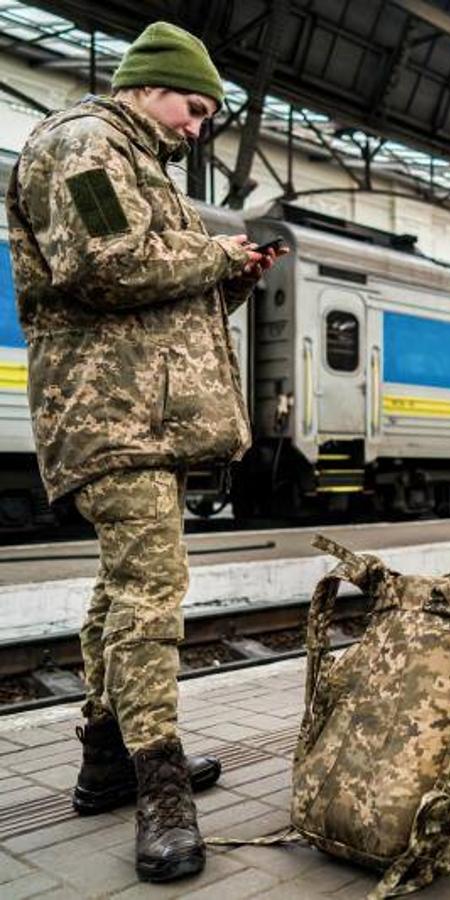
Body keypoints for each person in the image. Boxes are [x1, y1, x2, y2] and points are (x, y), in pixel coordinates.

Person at [5, 21, 281, 882]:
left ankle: (105, 760)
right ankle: (161, 794)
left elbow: (160, 308)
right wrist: (213, 254)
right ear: (146, 86)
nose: (198, 127)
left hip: (141, 412)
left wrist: (227, 280)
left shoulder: (135, 162)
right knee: (154, 593)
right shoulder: (86, 146)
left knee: (122, 591)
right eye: (193, 108)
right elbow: (106, 265)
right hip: (112, 416)